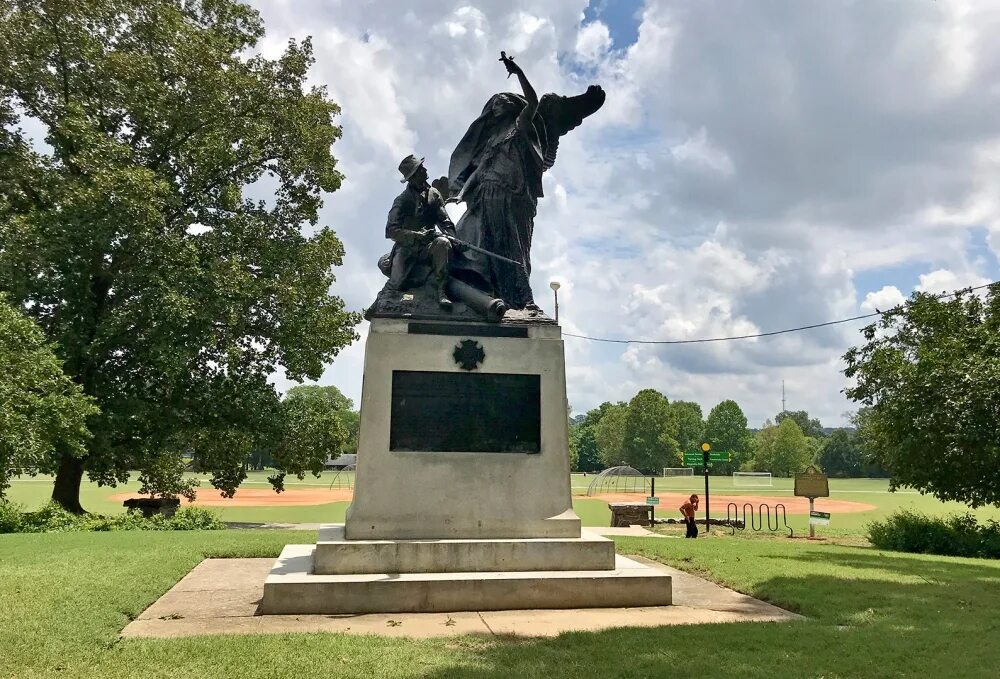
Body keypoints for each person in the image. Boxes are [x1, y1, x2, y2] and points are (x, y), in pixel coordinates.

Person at [446, 52, 605, 310]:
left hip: (514, 195)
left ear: (510, 105)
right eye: (493, 104)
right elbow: (479, 170)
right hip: (487, 194)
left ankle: (522, 300)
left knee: (514, 248)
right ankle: (490, 295)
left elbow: (531, 102)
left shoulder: (521, 125)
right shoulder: (490, 140)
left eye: (500, 102)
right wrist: (461, 193)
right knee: (488, 246)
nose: (495, 107)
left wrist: (518, 72)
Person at [380, 154, 456, 309]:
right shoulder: (402, 200)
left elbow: (445, 221)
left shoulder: (434, 194)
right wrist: (416, 236)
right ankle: (383, 302)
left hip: (429, 247)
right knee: (396, 283)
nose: (425, 169)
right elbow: (391, 230)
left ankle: (441, 292)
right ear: (413, 177)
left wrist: (453, 238)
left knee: (443, 243)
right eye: (421, 169)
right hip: (407, 248)